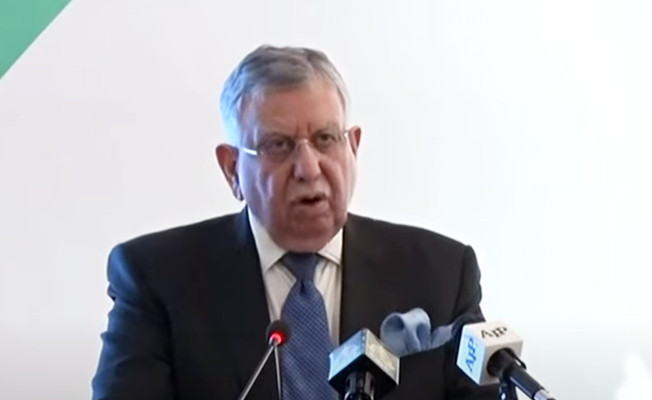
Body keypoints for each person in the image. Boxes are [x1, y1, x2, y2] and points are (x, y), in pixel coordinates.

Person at [92, 45, 498, 400]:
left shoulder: (440, 273)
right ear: (232, 169)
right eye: (278, 145)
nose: (308, 168)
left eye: (325, 139)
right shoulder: (158, 279)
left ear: (353, 147)